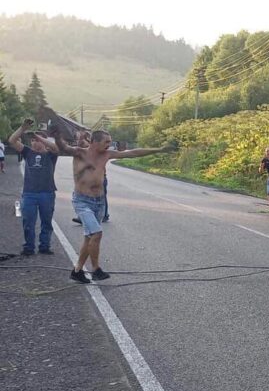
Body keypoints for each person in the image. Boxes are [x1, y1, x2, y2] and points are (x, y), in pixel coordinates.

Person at [55, 129, 172, 283]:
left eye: (110, 142)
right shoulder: (80, 153)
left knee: (89, 238)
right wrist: (57, 136)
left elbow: (133, 153)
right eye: (107, 142)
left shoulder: (107, 155)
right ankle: (96, 269)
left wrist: (159, 149)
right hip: (82, 201)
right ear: (95, 142)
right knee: (96, 234)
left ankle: (77, 271)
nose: (110, 145)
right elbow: (64, 148)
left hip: (99, 201)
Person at [8, 119, 59, 256]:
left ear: (44, 141)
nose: (36, 142)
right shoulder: (28, 152)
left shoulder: (51, 155)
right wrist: (22, 128)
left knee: (46, 222)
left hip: (47, 193)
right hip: (29, 193)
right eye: (33, 140)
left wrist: (39, 136)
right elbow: (12, 140)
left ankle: (44, 246)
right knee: (28, 222)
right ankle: (29, 247)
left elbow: (55, 148)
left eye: (39, 140)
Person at [71, 132, 110, 224]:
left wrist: (82, 141)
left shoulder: (88, 146)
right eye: (77, 138)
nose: (78, 140)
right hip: (88, 178)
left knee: (101, 196)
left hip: (100, 177)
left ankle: (105, 214)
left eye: (80, 137)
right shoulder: (83, 148)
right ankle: (85, 216)